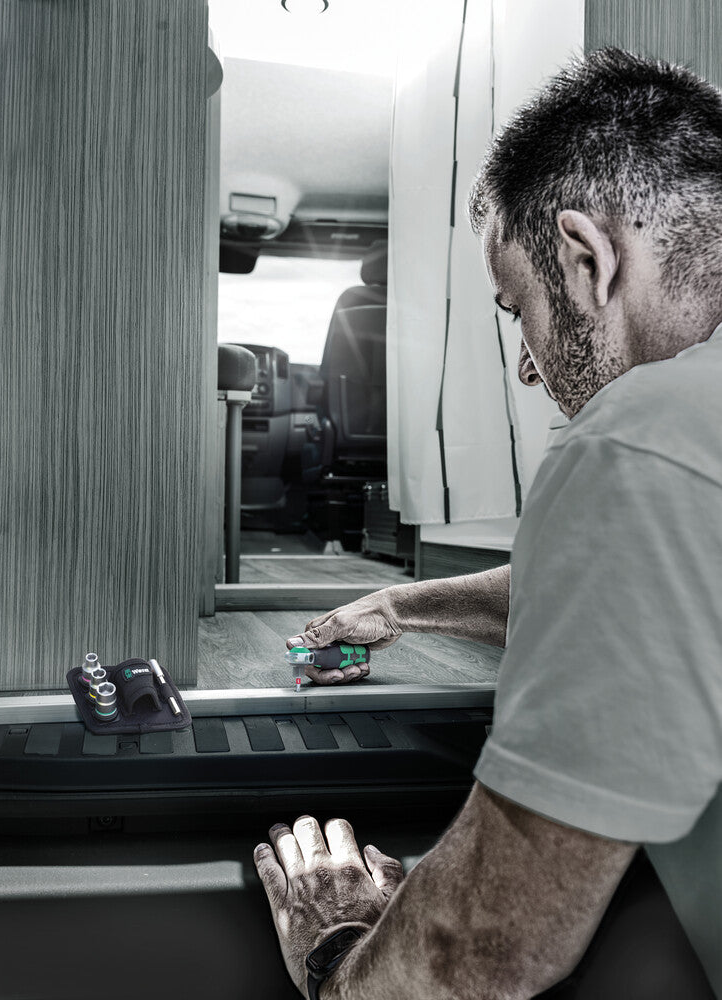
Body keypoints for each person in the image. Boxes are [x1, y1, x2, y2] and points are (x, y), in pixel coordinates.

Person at [253, 48, 722, 999]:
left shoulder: (645, 434)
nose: (526, 367)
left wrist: (335, 955)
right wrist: (402, 605)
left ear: (587, 261)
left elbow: (484, 951)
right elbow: (637, 587)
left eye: (518, 311)